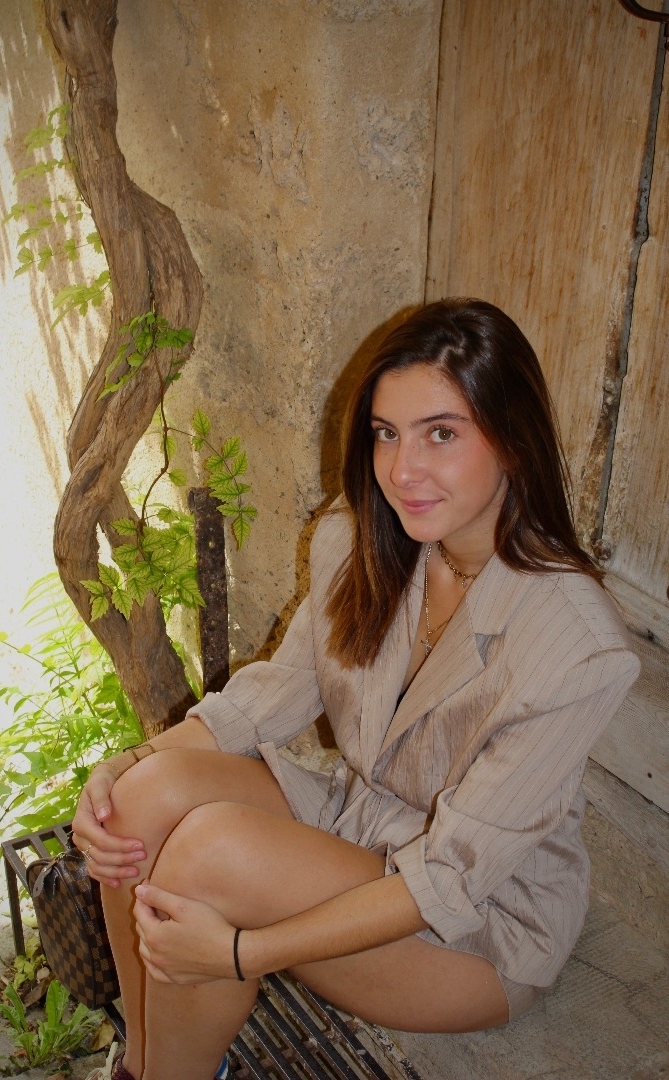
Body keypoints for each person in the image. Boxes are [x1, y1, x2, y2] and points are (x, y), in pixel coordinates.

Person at [75, 299, 639, 1080]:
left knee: (207, 856)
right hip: (359, 826)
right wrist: (124, 764)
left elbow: (447, 879)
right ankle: (146, 1065)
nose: (403, 471)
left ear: (513, 438)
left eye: (441, 433)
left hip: (478, 926)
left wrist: (240, 952)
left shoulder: (578, 649)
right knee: (137, 803)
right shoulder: (364, 539)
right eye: (386, 433)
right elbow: (275, 693)